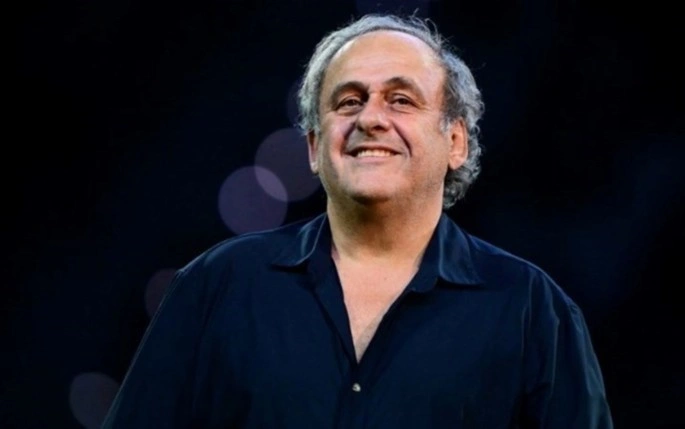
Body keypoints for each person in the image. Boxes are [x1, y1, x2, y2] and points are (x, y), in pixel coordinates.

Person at [102, 14, 613, 428]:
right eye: (349, 101)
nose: (369, 118)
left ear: (456, 141)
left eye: (401, 100)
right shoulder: (217, 286)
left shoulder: (533, 312)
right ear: (313, 147)